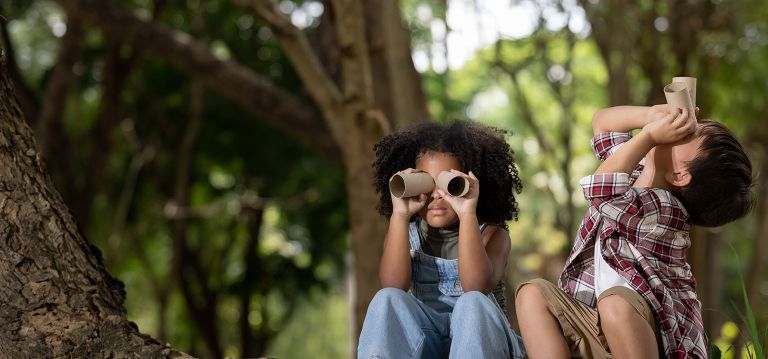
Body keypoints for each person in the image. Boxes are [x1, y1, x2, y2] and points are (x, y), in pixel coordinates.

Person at [515, 105, 753, 358]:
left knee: (615, 303)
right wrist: (648, 117)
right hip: (601, 327)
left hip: (653, 335)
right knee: (533, 294)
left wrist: (648, 135)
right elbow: (603, 124)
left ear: (680, 175)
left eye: (685, 135)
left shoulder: (664, 210)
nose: (674, 130)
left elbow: (601, 191)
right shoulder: (634, 172)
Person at [357, 121, 526, 359]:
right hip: (429, 341)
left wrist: (467, 211)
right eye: (426, 182)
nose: (436, 194)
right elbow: (393, 287)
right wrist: (400, 214)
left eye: (448, 184)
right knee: (385, 299)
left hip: (482, 344)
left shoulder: (492, 235)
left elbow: (476, 287)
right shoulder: (406, 233)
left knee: (473, 303)